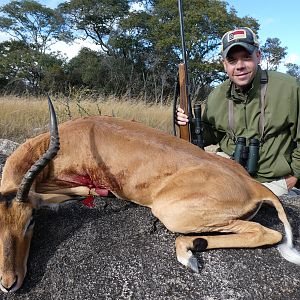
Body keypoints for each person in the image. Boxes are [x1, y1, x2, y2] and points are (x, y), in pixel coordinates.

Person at [176, 27, 300, 196]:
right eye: (232, 60)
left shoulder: (289, 88)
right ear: (224, 64)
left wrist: (293, 178)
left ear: (258, 56)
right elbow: (209, 136)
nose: (240, 66)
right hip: (228, 177)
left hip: (274, 182)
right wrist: (187, 124)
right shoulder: (217, 95)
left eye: (246, 57)